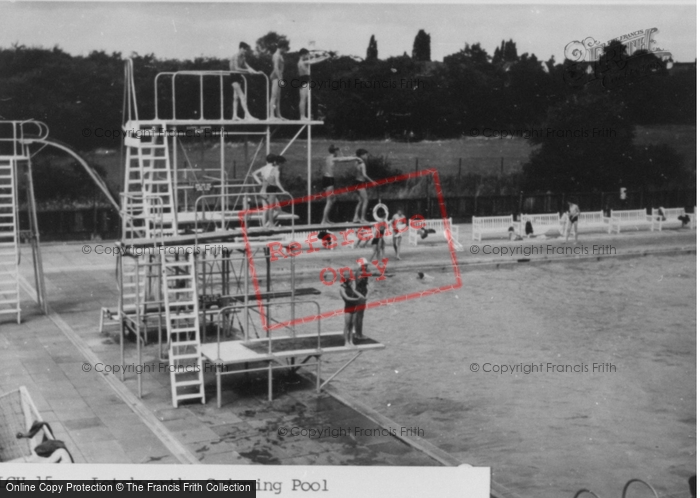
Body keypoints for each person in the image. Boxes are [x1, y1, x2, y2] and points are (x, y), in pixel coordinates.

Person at [320, 145, 358, 225]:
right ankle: (323, 221)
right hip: (329, 179)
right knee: (329, 201)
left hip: (326, 179)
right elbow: (345, 159)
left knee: (332, 200)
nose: (338, 152)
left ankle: (326, 219)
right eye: (337, 151)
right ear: (335, 151)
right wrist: (355, 158)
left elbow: (343, 158)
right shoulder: (333, 158)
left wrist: (341, 153)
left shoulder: (328, 158)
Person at [252, 154, 288, 227]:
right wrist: (283, 190)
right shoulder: (274, 169)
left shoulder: (264, 168)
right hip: (270, 190)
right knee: (277, 209)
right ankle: (269, 224)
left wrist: (259, 182)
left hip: (263, 190)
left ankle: (264, 226)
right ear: (274, 161)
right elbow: (276, 182)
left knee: (265, 210)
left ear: (266, 160)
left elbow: (254, 173)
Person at [229, 42, 259, 121]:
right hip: (233, 76)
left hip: (238, 76)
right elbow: (236, 68)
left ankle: (234, 116)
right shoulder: (235, 57)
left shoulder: (243, 57)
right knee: (242, 96)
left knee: (236, 97)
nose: (245, 51)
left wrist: (256, 72)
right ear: (241, 48)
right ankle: (248, 116)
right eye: (245, 49)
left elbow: (248, 66)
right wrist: (247, 70)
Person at [351, 149, 375, 223]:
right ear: (361, 155)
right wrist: (372, 181)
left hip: (355, 182)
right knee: (365, 200)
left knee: (360, 201)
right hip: (360, 183)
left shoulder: (356, 162)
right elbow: (364, 175)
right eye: (365, 154)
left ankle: (355, 217)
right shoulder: (362, 164)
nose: (366, 156)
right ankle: (362, 218)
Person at [269, 44, 287, 120]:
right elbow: (276, 67)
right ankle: (272, 115)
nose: (285, 51)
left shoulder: (280, 55)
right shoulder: (276, 55)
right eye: (285, 49)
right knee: (274, 96)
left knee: (278, 97)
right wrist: (279, 78)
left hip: (279, 76)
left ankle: (278, 114)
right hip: (276, 76)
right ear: (282, 47)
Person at [339, 279, 360, 346]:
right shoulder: (342, 288)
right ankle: (346, 341)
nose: (352, 283)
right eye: (351, 282)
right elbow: (347, 298)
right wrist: (357, 299)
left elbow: (357, 294)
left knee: (352, 325)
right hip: (348, 308)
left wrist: (361, 297)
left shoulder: (351, 287)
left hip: (354, 307)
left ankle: (351, 341)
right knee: (347, 325)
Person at [354, 259, 369, 341]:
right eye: (365, 265)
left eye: (367, 265)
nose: (366, 267)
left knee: (358, 315)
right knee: (360, 316)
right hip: (360, 296)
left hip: (358, 295)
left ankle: (357, 333)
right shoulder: (360, 273)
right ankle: (359, 334)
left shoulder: (358, 272)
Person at [298, 48, 311, 120]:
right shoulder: (303, 62)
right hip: (304, 79)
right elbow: (315, 61)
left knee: (303, 99)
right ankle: (302, 116)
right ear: (303, 54)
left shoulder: (301, 61)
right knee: (303, 99)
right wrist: (325, 57)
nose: (308, 56)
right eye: (307, 54)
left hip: (304, 79)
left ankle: (302, 116)